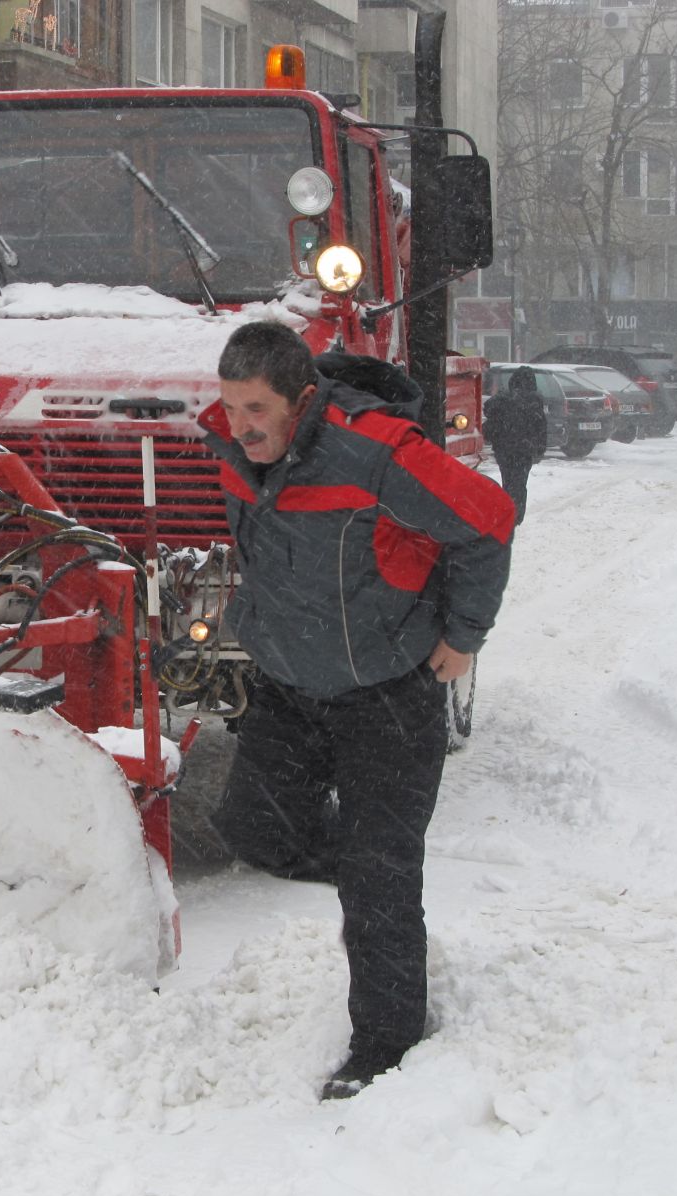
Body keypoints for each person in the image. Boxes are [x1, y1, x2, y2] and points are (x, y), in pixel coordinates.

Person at [200, 321, 516, 1101]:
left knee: (377, 877)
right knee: (253, 829)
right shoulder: (232, 449)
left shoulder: (377, 452)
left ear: (303, 400)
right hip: (291, 687)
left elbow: (488, 522)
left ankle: (386, 1041)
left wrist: (464, 636)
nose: (241, 425)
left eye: (257, 408)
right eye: (230, 405)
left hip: (387, 693)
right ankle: (374, 865)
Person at [484, 366, 548, 524]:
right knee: (519, 483)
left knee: (508, 480)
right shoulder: (534, 400)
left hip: (504, 449)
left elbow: (488, 411)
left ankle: (507, 512)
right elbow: (541, 426)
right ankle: (515, 515)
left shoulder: (502, 398)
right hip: (524, 450)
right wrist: (540, 447)